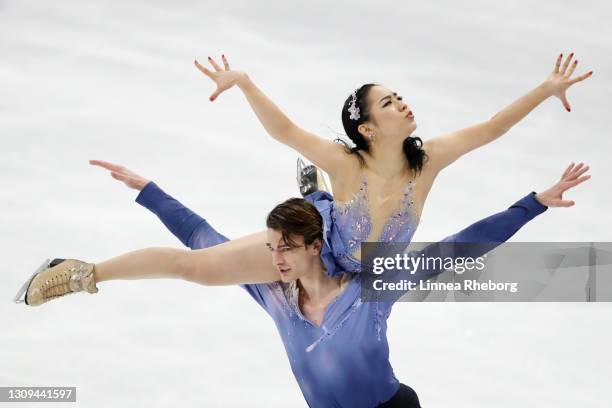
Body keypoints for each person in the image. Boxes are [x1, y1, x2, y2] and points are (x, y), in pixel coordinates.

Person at [17, 162, 589, 408]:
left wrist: (533, 203)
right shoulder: (271, 292)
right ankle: (313, 191)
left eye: (285, 248)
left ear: (314, 246)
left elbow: (462, 248)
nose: (274, 260)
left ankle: (318, 194)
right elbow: (200, 242)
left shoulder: (371, 287)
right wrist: (150, 190)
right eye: (271, 249)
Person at [190, 52, 593, 277]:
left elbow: (491, 128)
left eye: (397, 96)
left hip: (382, 271)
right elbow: (284, 130)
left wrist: (544, 89)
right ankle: (315, 193)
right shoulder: (347, 164)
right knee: (320, 209)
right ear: (366, 129)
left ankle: (316, 193)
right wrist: (243, 81)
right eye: (388, 103)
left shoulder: (427, 162)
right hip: (330, 250)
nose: (401, 103)